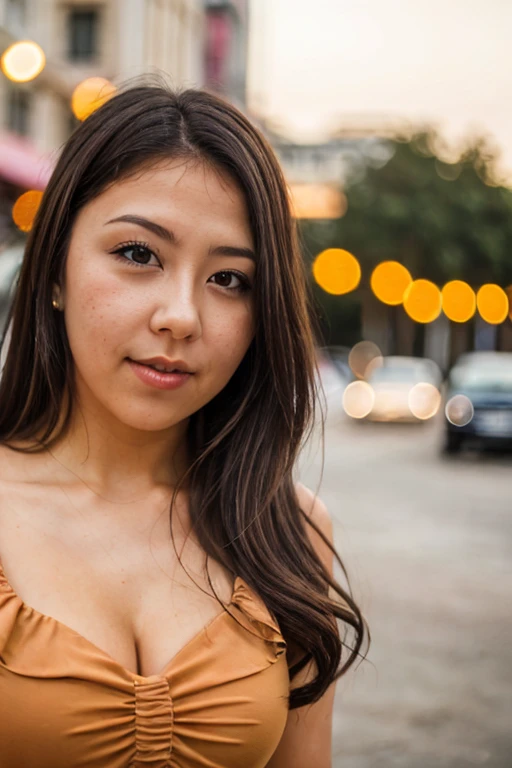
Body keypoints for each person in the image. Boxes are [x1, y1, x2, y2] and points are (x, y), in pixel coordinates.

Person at [0, 80, 366, 768]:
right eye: (138, 254)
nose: (182, 316)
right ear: (53, 269)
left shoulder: (290, 532)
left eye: (229, 280)